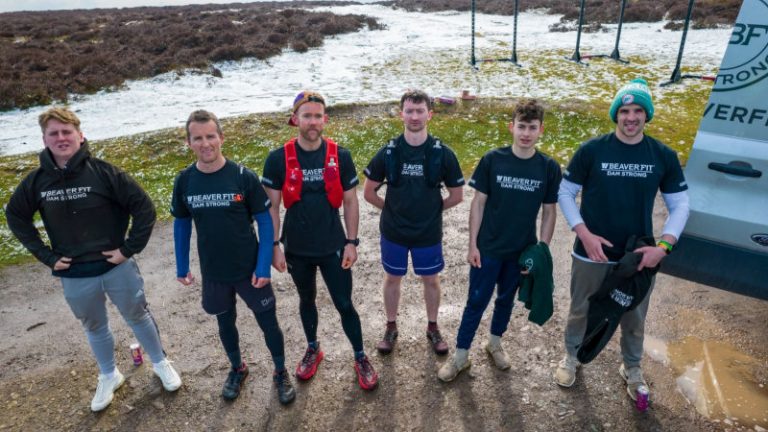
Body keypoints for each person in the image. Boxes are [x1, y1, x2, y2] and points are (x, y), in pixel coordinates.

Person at [6, 107, 182, 412]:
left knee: (137, 315)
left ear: (79, 134)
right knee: (94, 325)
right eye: (54, 133)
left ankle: (160, 363)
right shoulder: (36, 182)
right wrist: (46, 256)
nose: (61, 138)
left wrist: (127, 249)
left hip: (117, 266)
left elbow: (144, 208)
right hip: (75, 274)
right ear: (44, 139)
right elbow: (15, 216)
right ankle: (109, 374)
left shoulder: (104, 172)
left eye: (66, 131)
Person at [553, 78, 690, 400]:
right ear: (616, 114)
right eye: (625, 110)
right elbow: (566, 192)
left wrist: (663, 246)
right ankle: (572, 356)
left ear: (647, 115)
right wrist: (583, 234)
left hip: (638, 256)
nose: (631, 117)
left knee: (634, 315)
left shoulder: (662, 155)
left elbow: (680, 204)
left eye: (638, 110)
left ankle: (631, 366)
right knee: (581, 309)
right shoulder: (592, 150)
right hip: (591, 253)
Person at [171, 110, 295, 405]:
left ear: (221, 138)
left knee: (268, 324)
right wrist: (182, 265)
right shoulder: (185, 180)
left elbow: (265, 222)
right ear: (189, 143)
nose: (205, 143)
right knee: (225, 324)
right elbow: (181, 222)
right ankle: (238, 368)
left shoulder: (242, 177)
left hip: (250, 270)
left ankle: (280, 371)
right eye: (198, 138)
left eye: (210, 136)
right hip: (214, 272)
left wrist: (264, 264)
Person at [261, 91, 378, 390]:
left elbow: (351, 202)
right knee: (306, 299)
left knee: (344, 303)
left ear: (325, 120)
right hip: (297, 247)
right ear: (295, 119)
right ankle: (313, 347)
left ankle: (360, 355)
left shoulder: (341, 155)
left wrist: (352, 241)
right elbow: (271, 208)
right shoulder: (277, 159)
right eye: (306, 116)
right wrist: (274, 247)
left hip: (333, 246)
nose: (312, 122)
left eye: (317, 116)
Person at [438, 99, 562, 381]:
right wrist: (473, 245)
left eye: (532, 127)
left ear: (541, 129)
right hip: (489, 249)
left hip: (520, 252)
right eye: (521, 126)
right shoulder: (493, 159)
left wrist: (541, 251)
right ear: (511, 127)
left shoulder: (548, 167)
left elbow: (549, 211)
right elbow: (478, 203)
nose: (526, 133)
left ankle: (494, 343)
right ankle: (460, 356)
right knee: (476, 302)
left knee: (506, 300)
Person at [363, 89, 464, 356]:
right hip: (394, 231)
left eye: (420, 111)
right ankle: (391, 326)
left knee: (431, 279)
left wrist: (431, 210)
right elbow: (368, 192)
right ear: (401, 114)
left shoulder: (443, 153)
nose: (415, 116)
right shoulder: (388, 151)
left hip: (427, 232)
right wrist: (392, 210)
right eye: (410, 110)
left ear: (430, 114)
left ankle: (432, 327)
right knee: (393, 277)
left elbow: (457, 195)